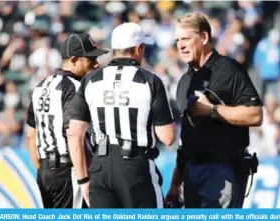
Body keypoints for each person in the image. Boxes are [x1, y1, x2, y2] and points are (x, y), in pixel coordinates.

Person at [67, 22, 176, 208]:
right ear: (138, 48)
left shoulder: (91, 80)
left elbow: (74, 133)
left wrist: (83, 180)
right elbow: (167, 137)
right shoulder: (151, 80)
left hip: (100, 166)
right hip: (135, 166)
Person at [165, 13, 263, 208]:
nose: (180, 45)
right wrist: (175, 184)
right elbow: (186, 139)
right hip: (192, 170)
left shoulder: (229, 69)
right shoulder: (185, 81)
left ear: (204, 37)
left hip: (223, 169)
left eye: (185, 39)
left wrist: (212, 110)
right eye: (177, 40)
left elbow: (256, 114)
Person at [26, 33, 108, 208]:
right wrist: (83, 178)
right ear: (74, 60)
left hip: (46, 171)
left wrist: (42, 169)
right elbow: (73, 135)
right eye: (90, 59)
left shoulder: (41, 86)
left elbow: (31, 135)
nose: (96, 64)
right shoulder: (76, 87)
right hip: (69, 170)